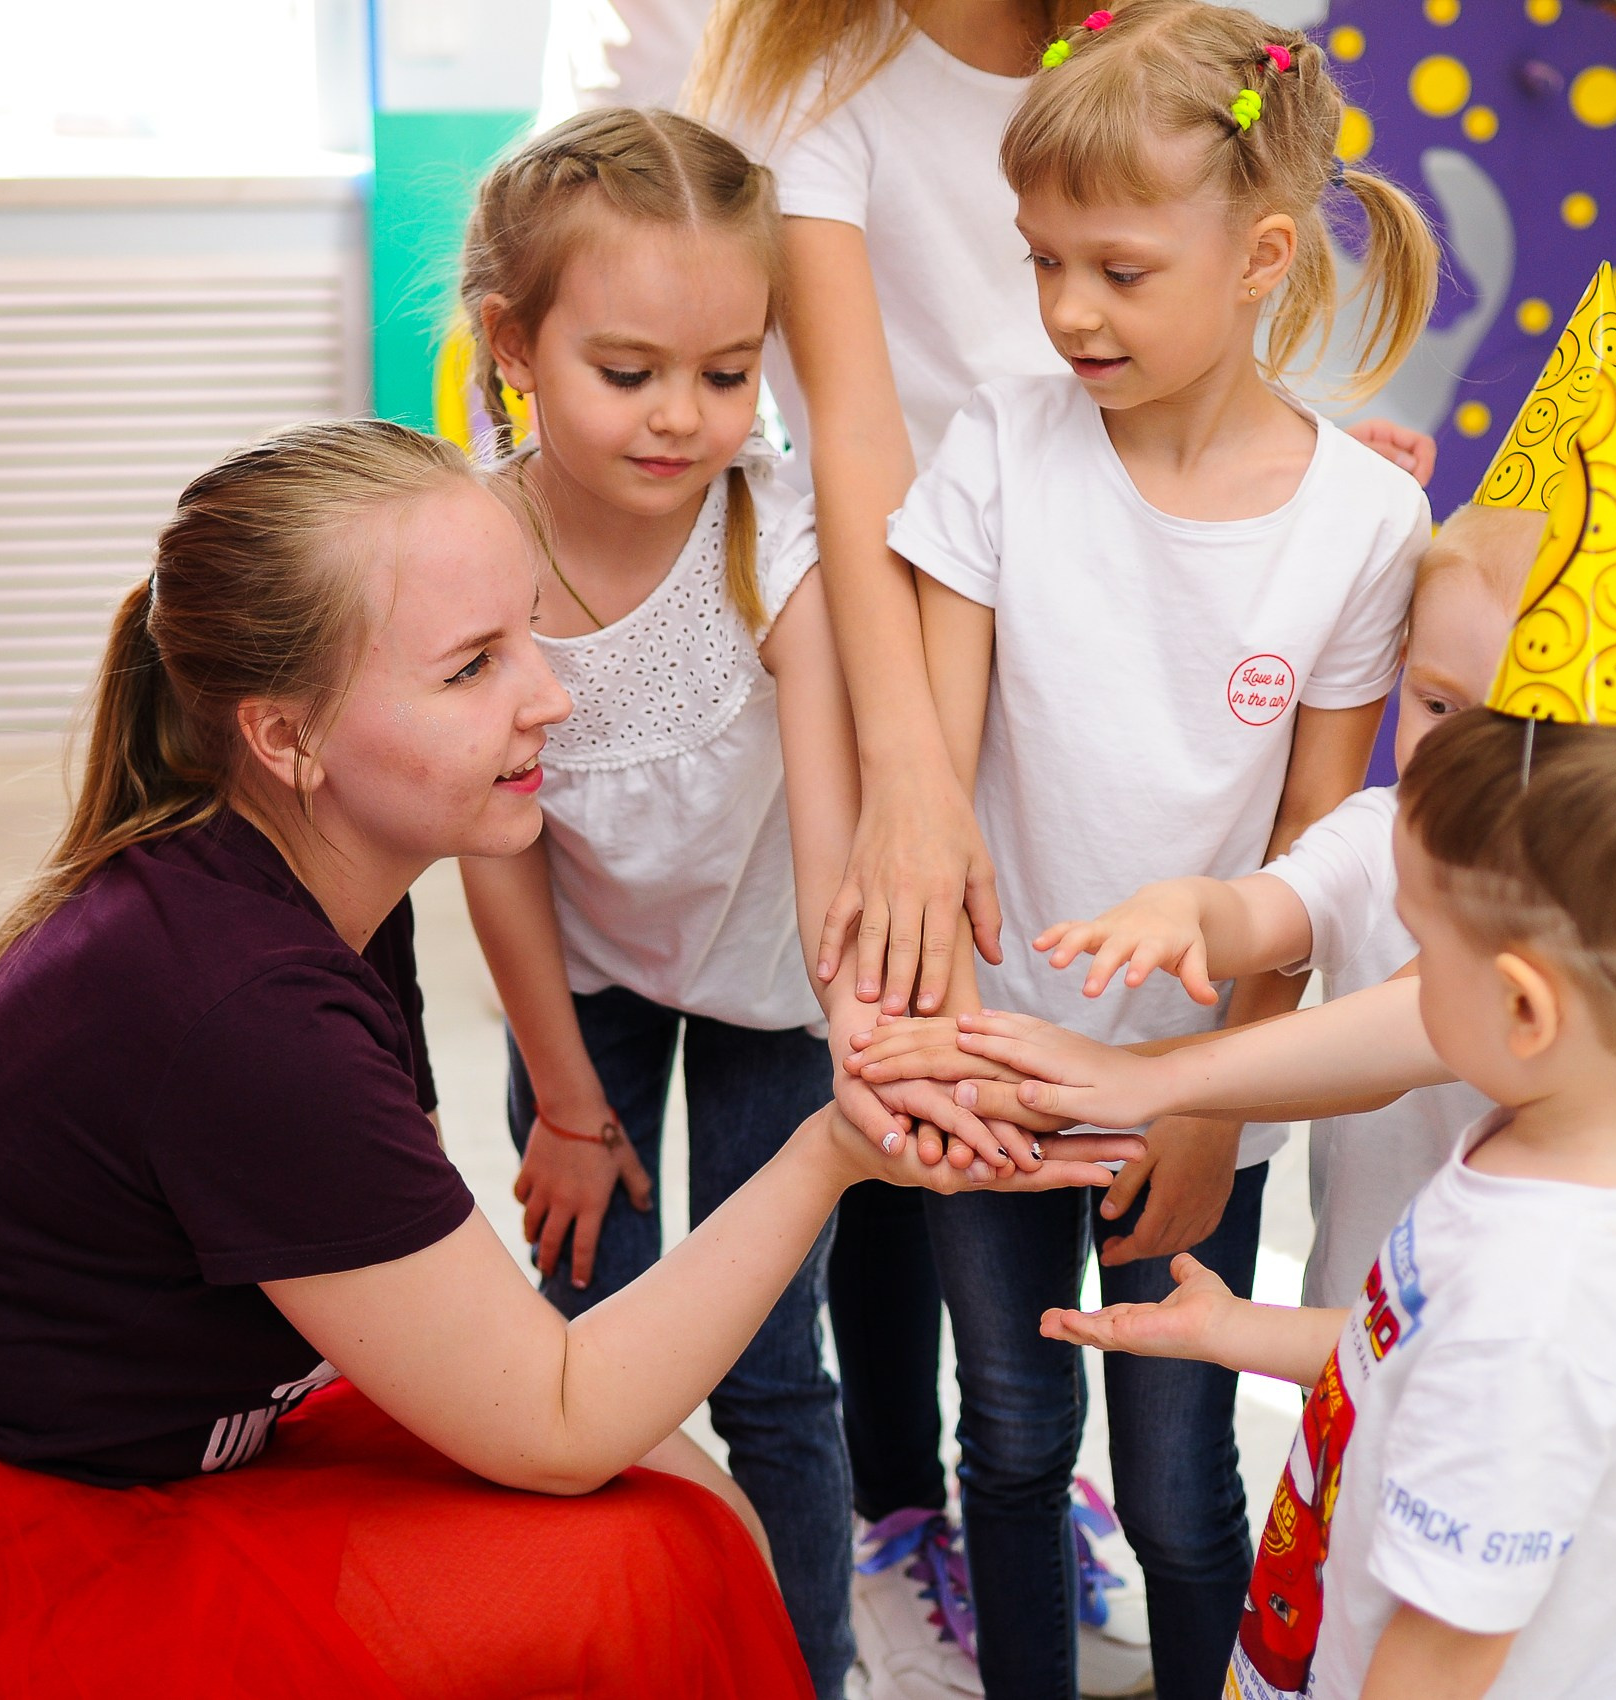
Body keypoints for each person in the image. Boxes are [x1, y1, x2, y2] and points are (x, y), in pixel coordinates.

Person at [0, 419, 1137, 1696]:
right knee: (640, 1564)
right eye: (474, 669)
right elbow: (560, 1416)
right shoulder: (238, 1009)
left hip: (139, 1406)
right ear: (285, 738)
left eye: (529, 635)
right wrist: (834, 1147)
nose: (554, 700)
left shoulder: (318, 881)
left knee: (682, 1500)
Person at [693, 10, 1437, 1686]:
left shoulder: (1361, 525)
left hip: (1198, 1093)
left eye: (1115, 267)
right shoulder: (1006, 448)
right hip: (999, 1056)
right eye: (1041, 263)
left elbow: (1317, 853)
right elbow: (933, 774)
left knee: (1183, 1498)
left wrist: (1222, 1091)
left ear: (1259, 257)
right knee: (1012, 1440)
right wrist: (933, 1030)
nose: (1067, 312)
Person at [864, 393, 1616, 1696]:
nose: (1393, 982)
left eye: (1423, 956)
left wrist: (1161, 1082)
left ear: (1522, 1005)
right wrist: (1239, 1330)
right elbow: (1411, 1344)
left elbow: (1433, 1651)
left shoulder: (1541, 1306)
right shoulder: (1538, 1176)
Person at [449, 107, 1013, 1698]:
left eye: (725, 370)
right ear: (512, 343)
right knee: (587, 1332)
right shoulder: (476, 556)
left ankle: (803, 1668)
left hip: (775, 981)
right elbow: (500, 856)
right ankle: (602, 1655)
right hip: (588, 992)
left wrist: (864, 1036)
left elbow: (838, 832)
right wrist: (563, 1098)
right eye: (627, 374)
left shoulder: (774, 528)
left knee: (772, 1366)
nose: (680, 418)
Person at [1008, 502, 1532, 1311]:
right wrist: (1183, 906)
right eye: (1436, 707)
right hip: (1349, 1318)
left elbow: (1403, 1038)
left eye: (1514, 726)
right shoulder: (1380, 835)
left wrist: (1148, 1080)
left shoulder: (1601, 902)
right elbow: (1267, 909)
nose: (1459, 757)